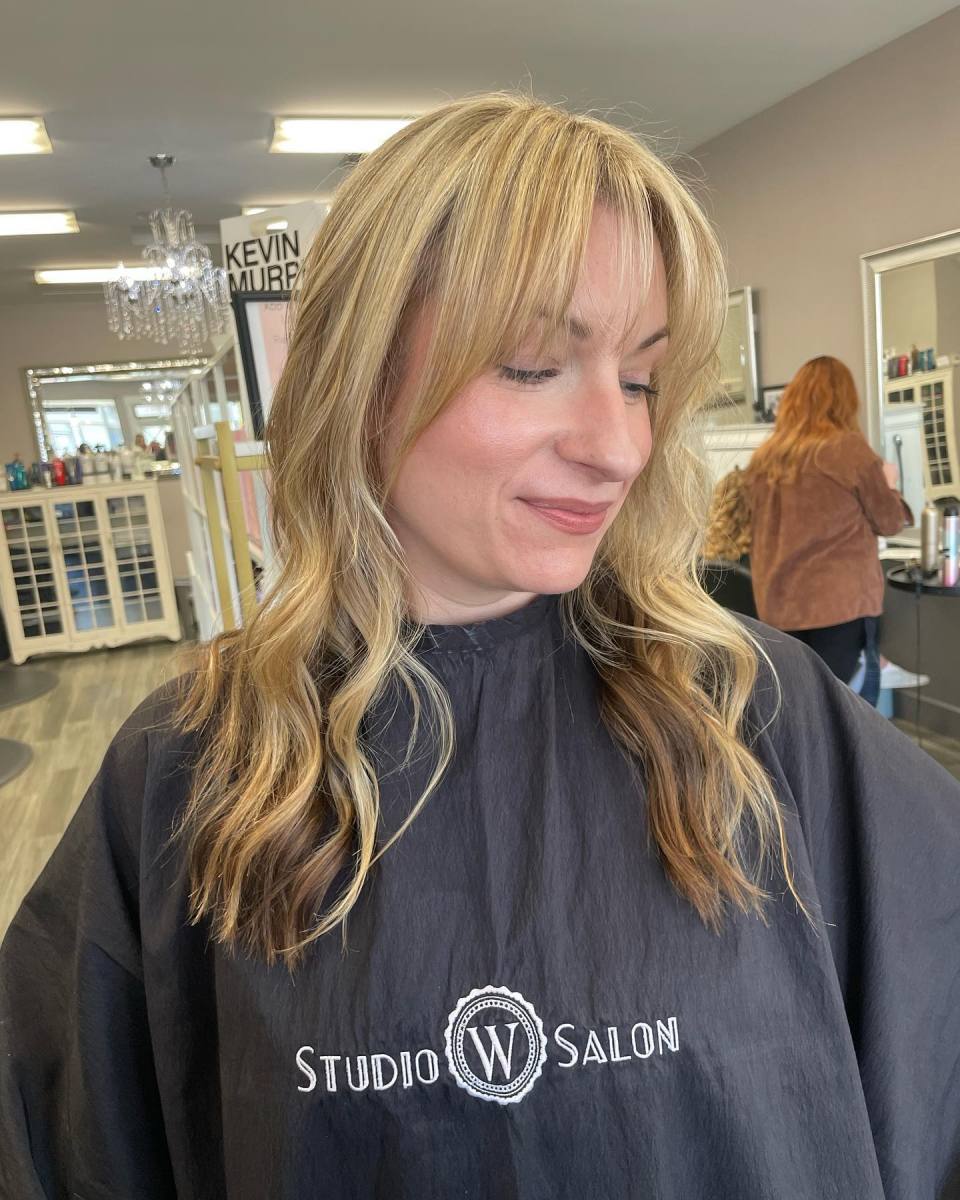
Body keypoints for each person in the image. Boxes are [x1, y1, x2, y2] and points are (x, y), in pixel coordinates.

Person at [1, 95, 958, 1200]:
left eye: (640, 380)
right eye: (534, 364)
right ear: (363, 380)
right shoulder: (192, 767)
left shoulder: (754, 709)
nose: (618, 447)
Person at [746, 355, 911, 702]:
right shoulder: (847, 450)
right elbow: (890, 522)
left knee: (798, 707)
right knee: (845, 710)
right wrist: (890, 483)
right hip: (839, 608)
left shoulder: (765, 458)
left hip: (778, 606)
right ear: (845, 401)